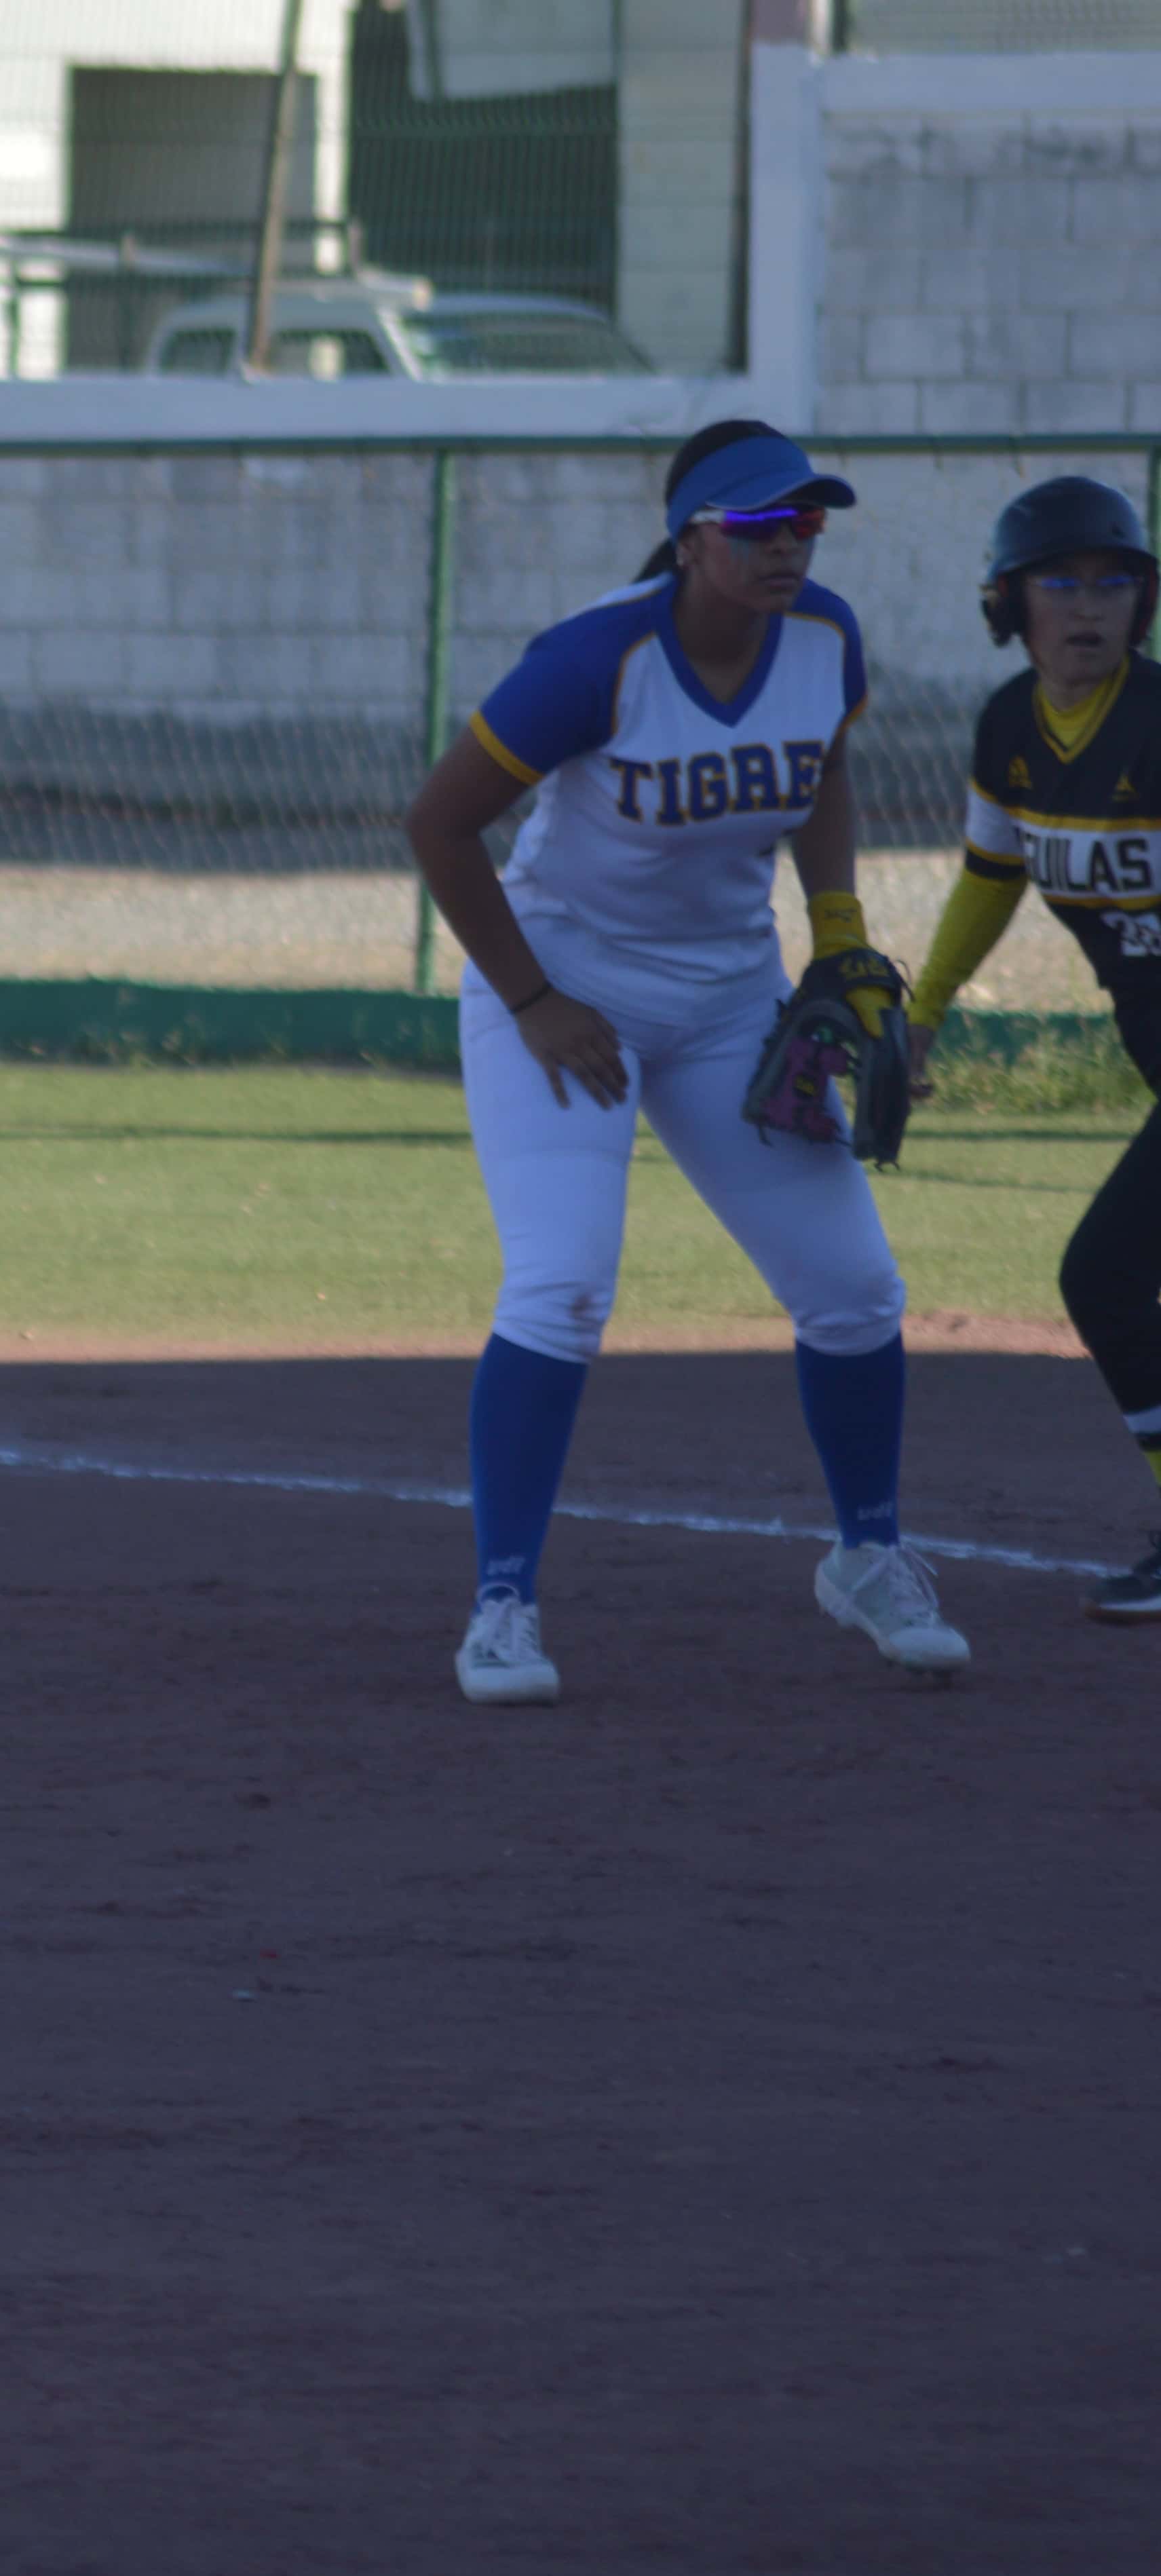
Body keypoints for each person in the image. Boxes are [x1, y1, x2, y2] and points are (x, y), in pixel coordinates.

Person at [403, 419, 967, 1705]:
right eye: (762, 526)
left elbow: (822, 772)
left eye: (807, 523)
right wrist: (534, 996)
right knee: (561, 1290)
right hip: (562, 988)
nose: (791, 547)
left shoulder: (825, 638)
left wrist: (837, 941)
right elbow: (439, 822)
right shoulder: (598, 657)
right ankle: (502, 1602)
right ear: (693, 538)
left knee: (855, 1288)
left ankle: (869, 1557)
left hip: (728, 1003)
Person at [907, 476, 1161, 1622]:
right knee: (1108, 1280)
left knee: (1103, 1275)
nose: (1091, 603)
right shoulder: (1009, 729)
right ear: (1010, 604)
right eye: (1061, 580)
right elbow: (989, 879)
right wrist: (921, 1017)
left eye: (1117, 580)